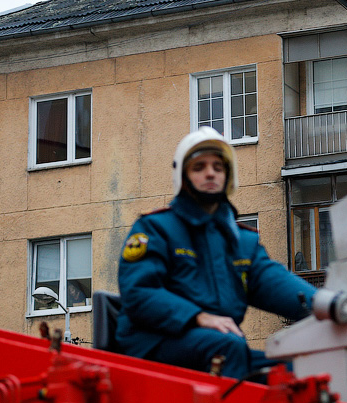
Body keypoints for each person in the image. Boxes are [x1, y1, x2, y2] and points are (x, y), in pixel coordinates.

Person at [115, 127, 318, 379]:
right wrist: (198, 317)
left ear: (227, 176)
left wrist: (324, 304)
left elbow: (273, 282)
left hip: (217, 344)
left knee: (299, 372)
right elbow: (139, 292)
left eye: (218, 167)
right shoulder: (155, 228)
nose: (210, 173)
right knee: (227, 347)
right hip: (152, 343)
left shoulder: (240, 240)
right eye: (199, 167)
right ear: (183, 176)